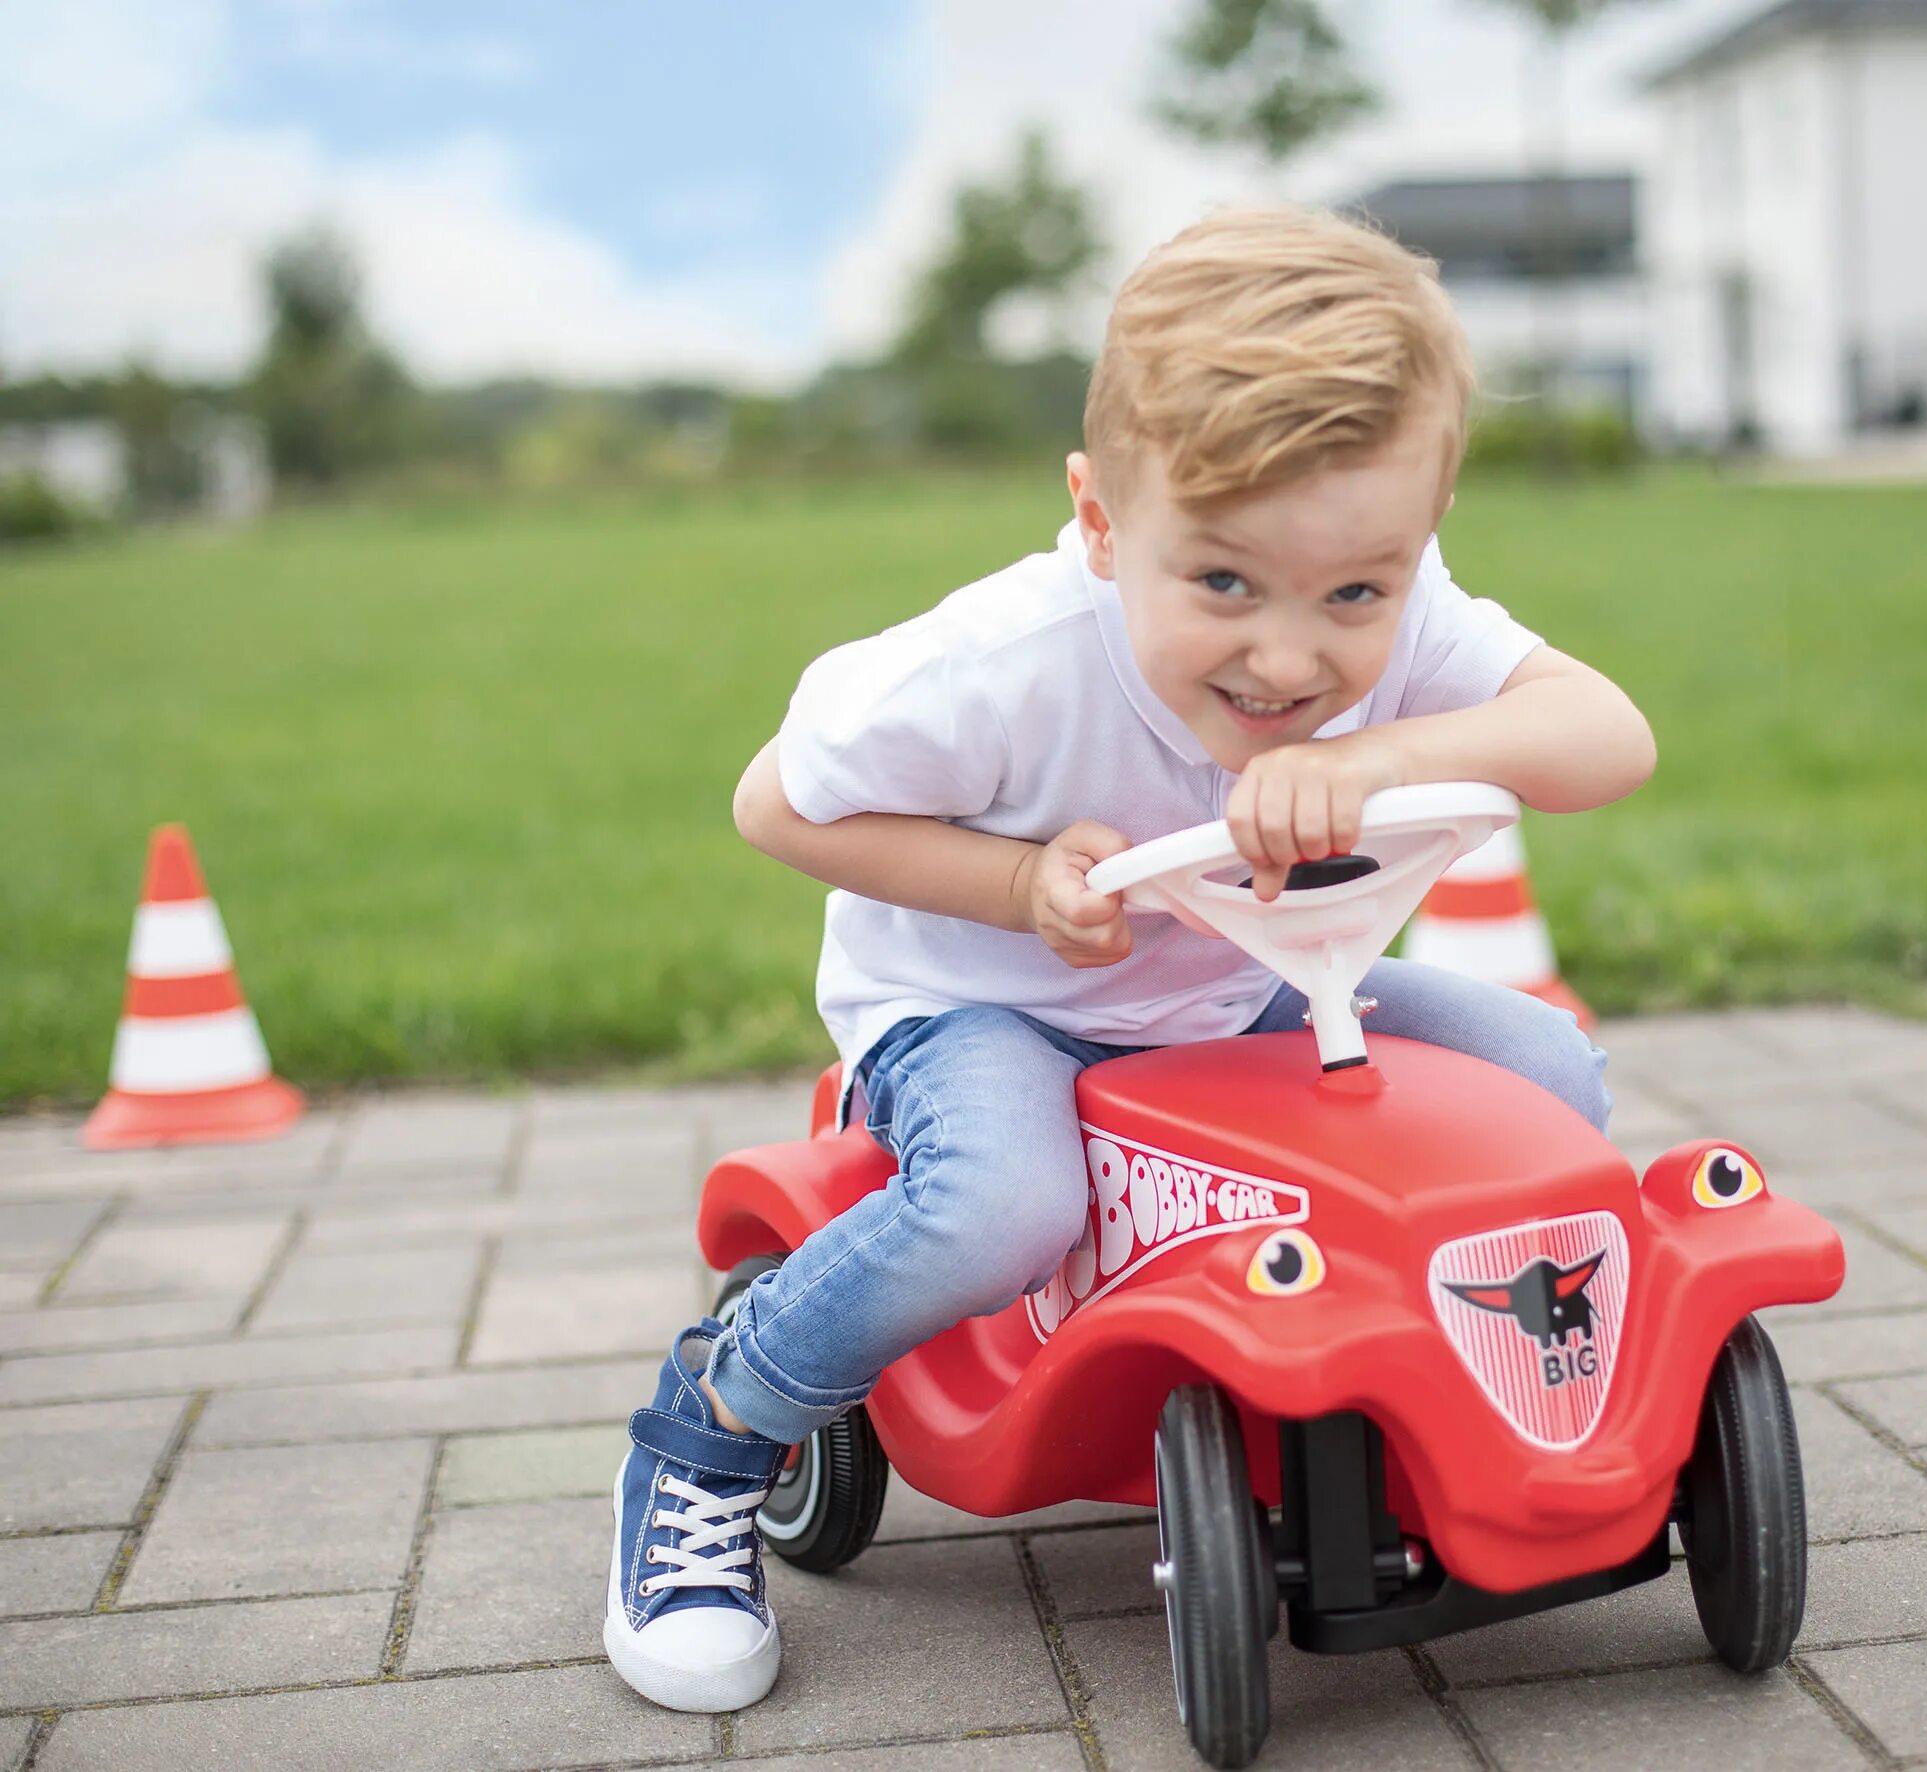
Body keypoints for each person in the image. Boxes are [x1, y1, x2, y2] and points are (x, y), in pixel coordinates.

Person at [603, 205, 1657, 1712]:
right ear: (1102, 522)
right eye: (1222, 585)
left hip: (1235, 996)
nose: (1290, 660)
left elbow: (1606, 736)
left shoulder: (1402, 620)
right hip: (983, 1006)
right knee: (1005, 1206)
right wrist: (1018, 880)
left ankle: (1415, 1408)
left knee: (1541, 1079)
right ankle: (712, 1422)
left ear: (1412, 545)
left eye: (1354, 594)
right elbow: (773, 803)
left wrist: (1387, 754)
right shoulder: (998, 666)